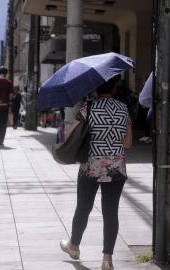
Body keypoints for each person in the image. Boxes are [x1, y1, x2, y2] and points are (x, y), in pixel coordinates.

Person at [59, 76, 133, 270]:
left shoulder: (87, 108)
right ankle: (107, 259)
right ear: (114, 87)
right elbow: (128, 142)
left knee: (83, 207)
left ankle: (74, 246)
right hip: (116, 167)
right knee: (111, 212)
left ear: (95, 88)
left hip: (91, 165)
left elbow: (72, 135)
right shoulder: (123, 109)